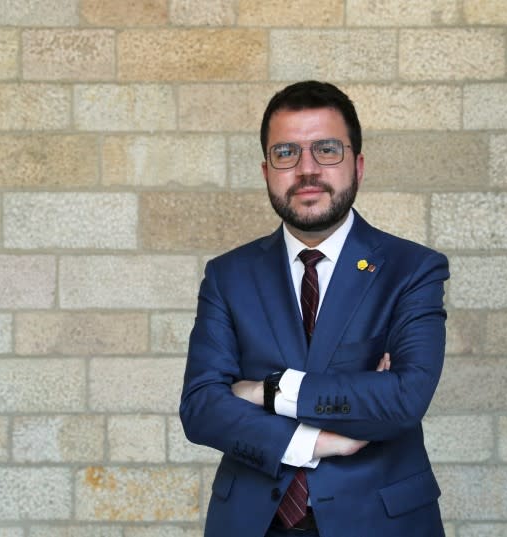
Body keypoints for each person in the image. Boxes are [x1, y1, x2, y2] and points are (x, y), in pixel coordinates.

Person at [179, 81, 449, 537]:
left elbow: (403, 400)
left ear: (358, 165)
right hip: (251, 522)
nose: (307, 170)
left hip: (379, 522)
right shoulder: (228, 275)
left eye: (326, 150)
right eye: (286, 153)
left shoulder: (412, 269)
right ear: (266, 170)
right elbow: (202, 407)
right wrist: (317, 441)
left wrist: (266, 391)